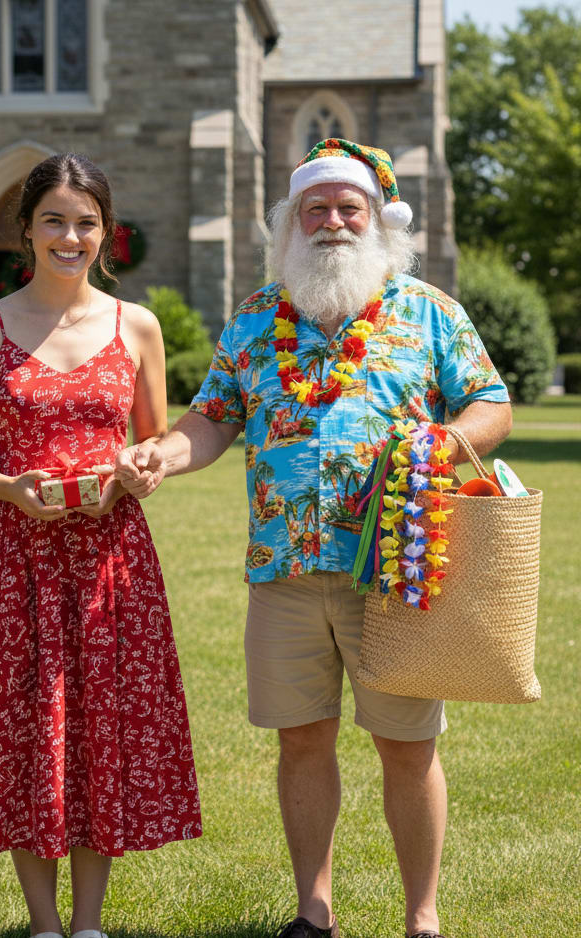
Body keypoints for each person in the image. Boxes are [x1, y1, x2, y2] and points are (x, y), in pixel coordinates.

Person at [115, 139, 512, 938]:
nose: (332, 222)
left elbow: (491, 405)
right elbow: (212, 420)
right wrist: (162, 452)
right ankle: (313, 911)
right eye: (316, 209)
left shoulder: (429, 311)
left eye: (347, 208)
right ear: (291, 223)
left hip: (394, 567)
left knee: (407, 745)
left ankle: (422, 918)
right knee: (301, 741)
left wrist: (443, 442)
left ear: (375, 221)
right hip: (284, 568)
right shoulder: (256, 320)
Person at [0, 152, 201, 938]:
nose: (69, 236)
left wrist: (143, 471)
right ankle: (44, 924)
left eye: (86, 223)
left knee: (99, 729)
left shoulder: (135, 325)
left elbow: (156, 443)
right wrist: (6, 487)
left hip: (113, 559)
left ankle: (89, 925)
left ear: (106, 234)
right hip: (14, 558)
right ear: (27, 229)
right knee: (26, 727)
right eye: (54, 220)